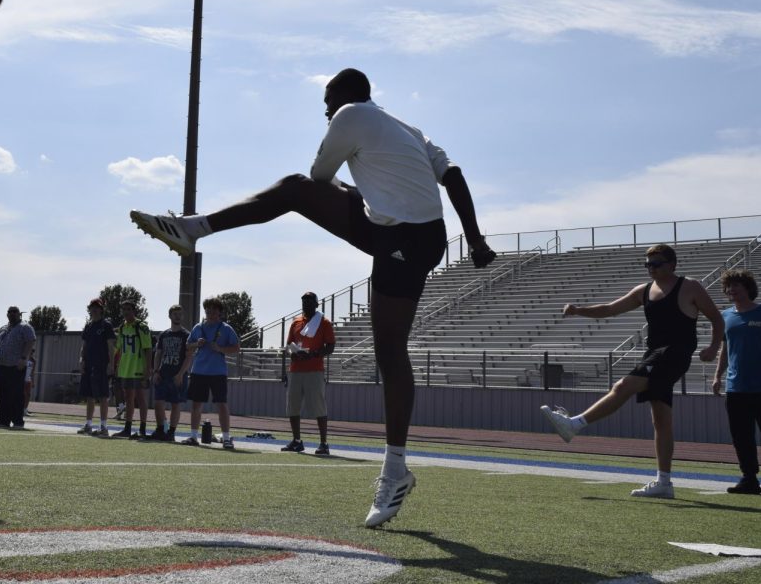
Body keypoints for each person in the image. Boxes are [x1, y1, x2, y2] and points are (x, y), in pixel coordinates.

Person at [131, 68, 495, 526]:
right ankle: (193, 227)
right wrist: (475, 239)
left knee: (297, 190)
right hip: (413, 234)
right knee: (387, 349)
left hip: (405, 237)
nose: (325, 110)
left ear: (348, 96)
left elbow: (320, 174)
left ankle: (194, 228)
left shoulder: (348, 115)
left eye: (329, 99)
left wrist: (353, 186)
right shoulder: (409, 129)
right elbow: (454, 175)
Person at [541, 244, 724, 498]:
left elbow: (717, 318)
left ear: (672, 264)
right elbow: (609, 309)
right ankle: (664, 482)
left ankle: (575, 424)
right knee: (660, 418)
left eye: (657, 263)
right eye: (648, 264)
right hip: (654, 353)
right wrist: (578, 310)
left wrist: (714, 348)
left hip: (675, 352)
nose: (651, 268)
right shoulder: (644, 291)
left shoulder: (690, 286)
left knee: (623, 386)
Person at [712, 269, 761, 499]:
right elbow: (725, 348)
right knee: (741, 437)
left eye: (736, 285)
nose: (731, 290)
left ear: (748, 288)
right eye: (728, 287)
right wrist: (718, 376)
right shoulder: (726, 316)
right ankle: (749, 479)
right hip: (736, 388)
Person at [181, 297, 241, 450]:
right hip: (199, 371)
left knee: (222, 404)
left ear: (220, 312)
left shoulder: (226, 328)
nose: (210, 312)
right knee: (196, 404)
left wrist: (220, 349)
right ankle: (194, 436)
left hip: (218, 372)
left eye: (214, 309)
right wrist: (196, 344)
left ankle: (226, 438)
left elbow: (236, 347)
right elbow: (188, 346)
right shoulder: (197, 327)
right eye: (208, 309)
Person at [282, 291, 336, 456]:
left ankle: (323, 443)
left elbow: (331, 346)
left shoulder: (324, 323)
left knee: (318, 406)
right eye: (304, 301)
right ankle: (297, 441)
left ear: (317, 304)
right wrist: (293, 353)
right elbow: (289, 345)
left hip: (314, 370)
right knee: (293, 406)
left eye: (310, 301)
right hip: (296, 369)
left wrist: (313, 354)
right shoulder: (296, 322)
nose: (306, 304)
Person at [147, 305, 192, 441]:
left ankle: (171, 432)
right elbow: (158, 354)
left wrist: (180, 374)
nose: (177, 316)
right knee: (158, 403)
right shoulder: (164, 335)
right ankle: (161, 429)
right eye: (175, 314)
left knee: (175, 404)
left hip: (177, 375)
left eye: (180, 314)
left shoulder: (186, 335)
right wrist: (155, 371)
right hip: (163, 374)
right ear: (170, 316)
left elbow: (189, 356)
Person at [111, 301, 152, 438]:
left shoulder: (141, 326)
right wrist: (116, 366)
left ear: (134, 310)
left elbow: (148, 349)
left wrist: (148, 368)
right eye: (124, 310)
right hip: (126, 368)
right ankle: (127, 429)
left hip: (138, 367)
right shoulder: (122, 328)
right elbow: (119, 349)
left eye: (128, 309)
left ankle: (142, 429)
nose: (126, 312)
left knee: (140, 398)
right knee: (129, 398)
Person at [0, 306, 36, 429]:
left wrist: (24, 358)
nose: (12, 314)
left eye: (14, 311)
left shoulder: (25, 327)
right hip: (1, 365)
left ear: (19, 314)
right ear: (7, 314)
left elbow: (30, 341)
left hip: (16, 366)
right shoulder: (3, 328)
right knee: (2, 394)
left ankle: (18, 422)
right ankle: (3, 420)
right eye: (9, 312)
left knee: (16, 394)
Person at [77, 298, 117, 436]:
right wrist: (81, 360)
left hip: (101, 365)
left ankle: (103, 427)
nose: (94, 309)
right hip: (88, 365)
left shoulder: (106, 325)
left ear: (101, 309)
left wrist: (111, 364)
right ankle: (88, 425)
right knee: (89, 396)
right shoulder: (88, 326)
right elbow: (84, 345)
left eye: (97, 307)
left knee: (103, 396)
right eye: (92, 307)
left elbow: (111, 346)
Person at [23, 351, 35, 416]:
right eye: (31, 353)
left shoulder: (33, 361)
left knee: (28, 395)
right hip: (22, 380)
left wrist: (33, 381)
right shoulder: (24, 360)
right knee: (23, 395)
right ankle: (20, 409)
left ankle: (25, 409)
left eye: (32, 353)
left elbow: (32, 372)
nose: (32, 354)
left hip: (28, 380)